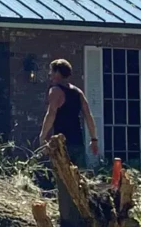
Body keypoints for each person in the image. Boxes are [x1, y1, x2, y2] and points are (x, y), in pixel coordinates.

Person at [39, 59, 99, 226]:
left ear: (58, 72)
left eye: (51, 71)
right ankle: (81, 216)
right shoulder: (78, 92)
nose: (50, 75)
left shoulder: (55, 91)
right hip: (77, 142)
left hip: (62, 145)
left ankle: (67, 221)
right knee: (78, 181)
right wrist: (94, 139)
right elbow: (88, 116)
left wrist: (43, 135)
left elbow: (51, 114)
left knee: (63, 182)